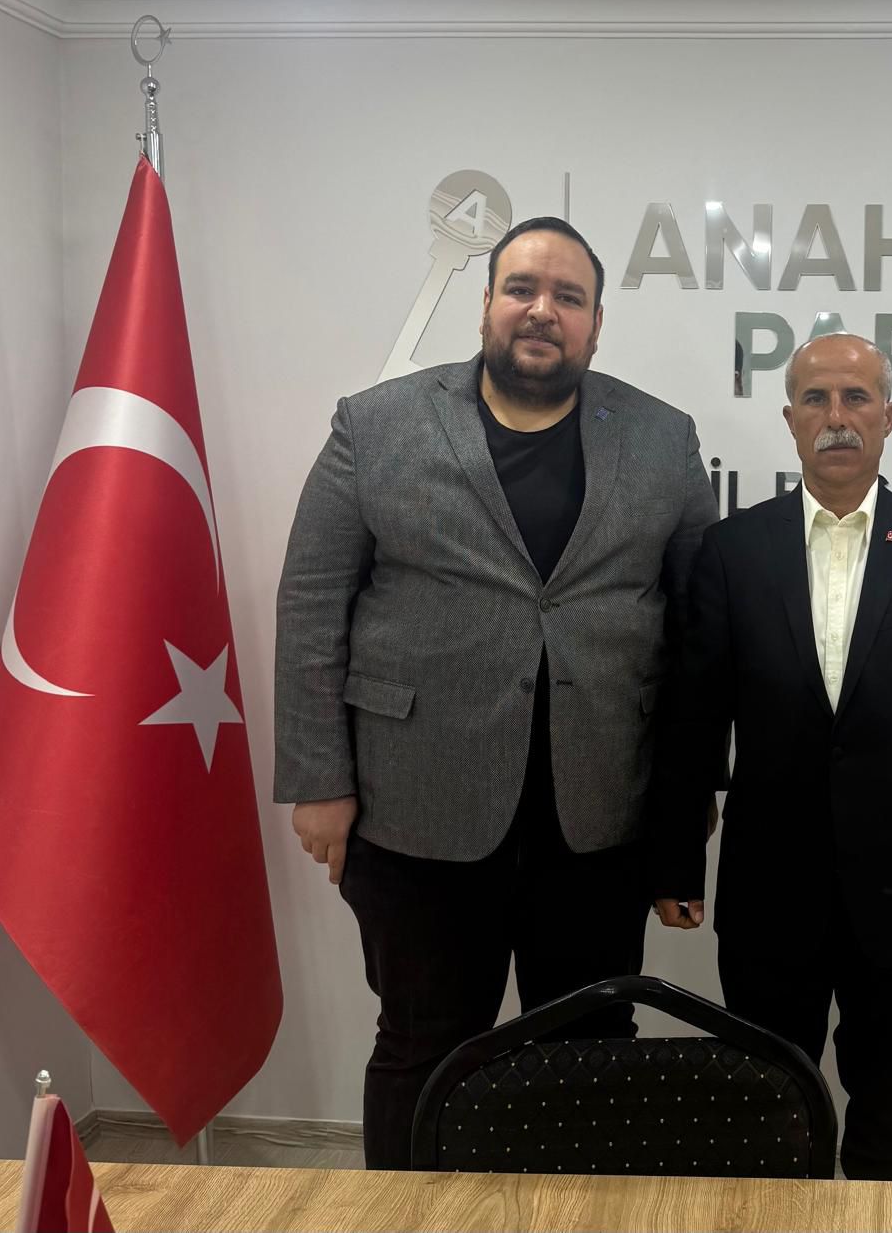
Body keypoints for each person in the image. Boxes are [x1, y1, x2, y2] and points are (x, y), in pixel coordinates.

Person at [275, 215, 717, 1168]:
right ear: (485, 304)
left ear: (597, 323)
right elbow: (312, 603)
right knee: (423, 1045)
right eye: (522, 288)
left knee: (589, 1051)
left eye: (568, 296)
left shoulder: (664, 439)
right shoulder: (375, 423)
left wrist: (683, 823)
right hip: (415, 811)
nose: (542, 310)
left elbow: (697, 635)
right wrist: (319, 778)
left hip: (597, 819)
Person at [652, 332, 892, 1183]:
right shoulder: (733, 550)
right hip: (769, 889)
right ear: (790, 419)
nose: (837, 417)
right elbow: (693, 719)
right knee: (767, 1122)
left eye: (857, 398)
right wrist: (674, 859)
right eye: (816, 398)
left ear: (889, 416)